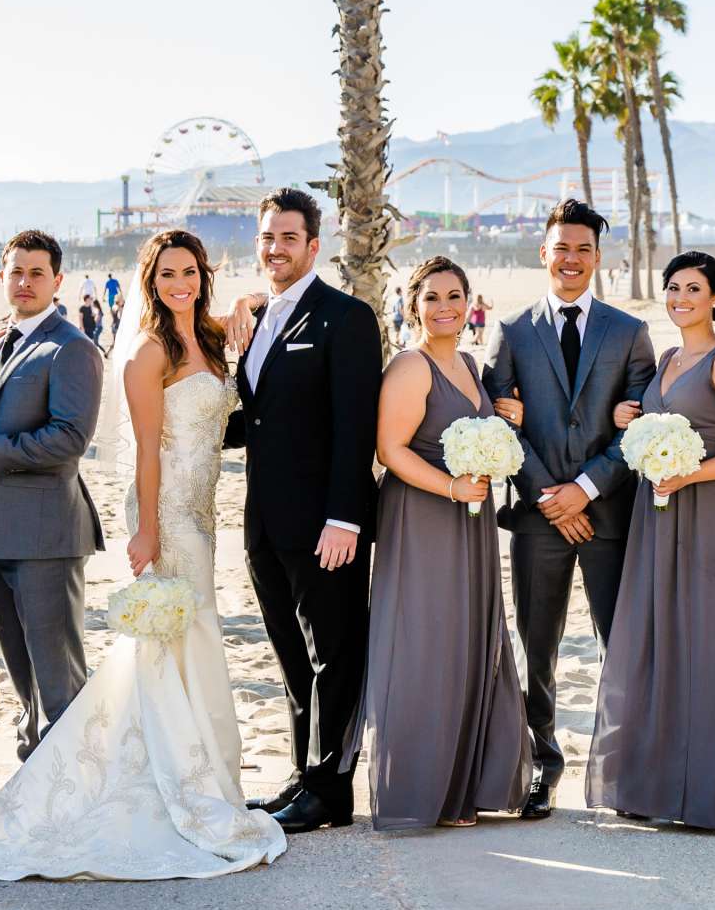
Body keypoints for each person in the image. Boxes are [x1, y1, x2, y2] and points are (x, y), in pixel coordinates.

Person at [0, 230, 284, 879]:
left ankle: (207, 780)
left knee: (196, 645)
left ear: (203, 275)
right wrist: (148, 534)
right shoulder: (145, 352)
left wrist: (249, 301)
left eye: (189, 272)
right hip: (166, 517)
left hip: (203, 517)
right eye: (166, 275)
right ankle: (172, 785)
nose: (179, 284)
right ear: (149, 282)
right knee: (168, 648)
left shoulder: (214, 337)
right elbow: (144, 451)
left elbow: (251, 314)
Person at [478, 197, 654, 820]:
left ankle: (628, 770)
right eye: (561, 248)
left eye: (583, 248)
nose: (571, 259)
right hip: (537, 518)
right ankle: (540, 766)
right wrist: (549, 496)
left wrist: (586, 488)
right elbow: (499, 423)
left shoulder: (629, 332)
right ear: (543, 254)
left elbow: (643, 427)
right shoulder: (512, 331)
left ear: (598, 257)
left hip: (608, 517)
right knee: (538, 646)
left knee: (622, 643)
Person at [589, 251, 715, 830]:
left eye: (694, 288)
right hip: (659, 515)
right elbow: (652, 422)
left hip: (712, 511)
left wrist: (689, 473)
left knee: (709, 638)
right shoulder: (666, 358)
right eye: (673, 288)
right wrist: (629, 418)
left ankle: (710, 792)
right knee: (659, 635)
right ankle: (656, 783)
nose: (680, 298)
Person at [223, 189, 382, 834]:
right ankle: (302, 775)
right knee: (291, 652)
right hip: (264, 521)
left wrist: (344, 516)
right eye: (266, 238)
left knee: (333, 652)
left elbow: (354, 425)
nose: (275, 248)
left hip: (325, 522)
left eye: (288, 238)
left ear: (313, 245)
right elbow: (257, 419)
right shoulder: (260, 320)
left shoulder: (344, 317)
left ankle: (332, 790)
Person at [357, 257, 529, 830]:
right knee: (427, 641)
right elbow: (391, 449)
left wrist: (508, 423)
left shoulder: (470, 365)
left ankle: (464, 785)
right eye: (432, 297)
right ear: (414, 307)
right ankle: (423, 787)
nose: (446, 306)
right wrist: (452, 486)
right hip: (425, 515)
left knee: (467, 637)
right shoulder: (410, 366)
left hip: (470, 520)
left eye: (455, 295)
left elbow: (480, 436)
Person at [0, 231, 105, 761]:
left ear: (57, 281)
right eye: (15, 272)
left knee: (59, 683)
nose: (24, 282)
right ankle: (34, 782)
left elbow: (69, 439)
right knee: (25, 682)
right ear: (2, 277)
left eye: (36, 273)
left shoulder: (73, 348)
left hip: (46, 538)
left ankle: (77, 796)